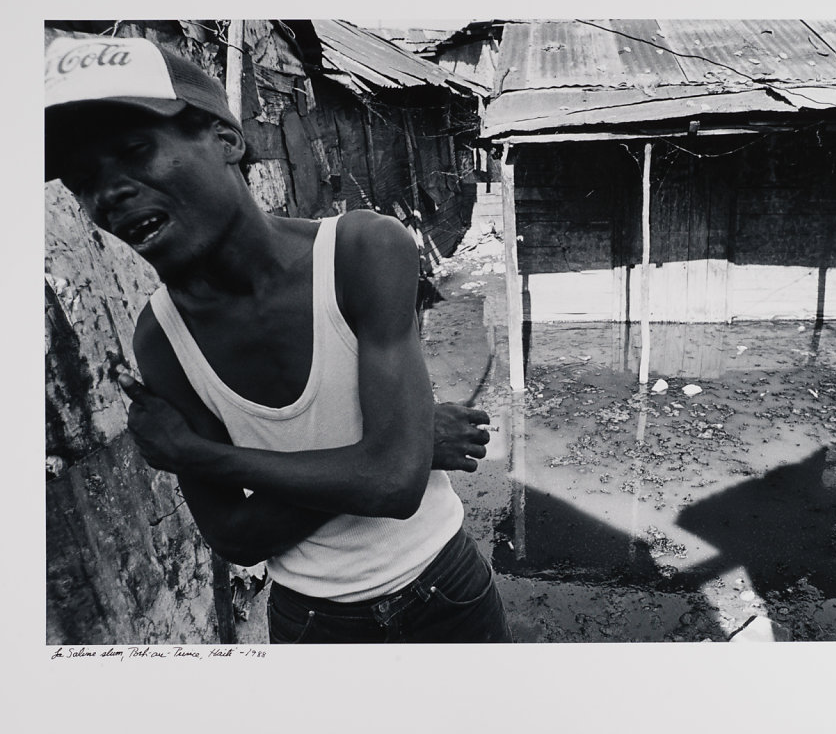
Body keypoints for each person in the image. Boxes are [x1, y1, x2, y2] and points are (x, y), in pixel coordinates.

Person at [44, 33, 513, 644]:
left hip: (445, 589)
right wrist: (406, 443)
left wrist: (201, 456)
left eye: (135, 150)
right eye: (83, 181)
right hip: (314, 623)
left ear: (226, 139)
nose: (108, 193)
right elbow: (238, 538)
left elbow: (395, 487)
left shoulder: (363, 252)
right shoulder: (162, 342)